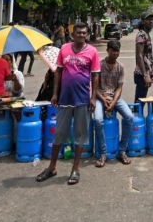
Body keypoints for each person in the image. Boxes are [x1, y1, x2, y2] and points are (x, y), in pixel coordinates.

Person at [36, 23, 100, 186]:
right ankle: (52, 167)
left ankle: (75, 169)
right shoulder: (64, 49)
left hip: (82, 100)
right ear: (72, 35)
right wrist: (55, 93)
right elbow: (58, 71)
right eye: (78, 33)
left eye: (84, 33)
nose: (81, 35)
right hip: (65, 98)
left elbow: (95, 76)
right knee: (59, 134)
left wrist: (93, 97)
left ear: (87, 35)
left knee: (80, 135)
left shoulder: (92, 52)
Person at [93, 40, 133, 167]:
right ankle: (104, 153)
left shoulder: (120, 67)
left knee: (129, 117)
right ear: (107, 50)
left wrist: (113, 101)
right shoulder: (98, 65)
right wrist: (104, 100)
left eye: (117, 51)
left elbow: (119, 88)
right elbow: (94, 87)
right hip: (100, 97)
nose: (115, 53)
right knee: (98, 120)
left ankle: (122, 150)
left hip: (115, 97)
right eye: (113, 50)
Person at [133, 13, 153, 103]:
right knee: (139, 102)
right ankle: (136, 116)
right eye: (148, 19)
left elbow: (147, 55)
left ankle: (137, 115)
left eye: (151, 19)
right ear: (142, 21)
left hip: (146, 72)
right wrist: (145, 75)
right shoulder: (141, 35)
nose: (151, 21)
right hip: (141, 74)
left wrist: (151, 69)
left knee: (141, 101)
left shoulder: (146, 34)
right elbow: (139, 55)